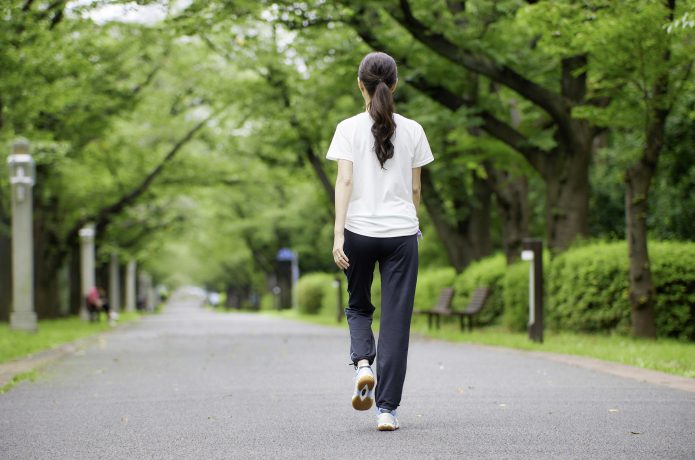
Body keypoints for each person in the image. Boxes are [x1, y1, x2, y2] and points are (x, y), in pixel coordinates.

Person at [326, 52, 434, 431]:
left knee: (358, 306)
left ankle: (363, 364)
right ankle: (386, 409)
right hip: (402, 235)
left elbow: (345, 182)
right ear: (395, 84)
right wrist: (411, 220)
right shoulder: (415, 130)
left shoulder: (347, 128)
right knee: (396, 322)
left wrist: (339, 233)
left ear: (360, 85)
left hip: (357, 231)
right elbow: (416, 187)